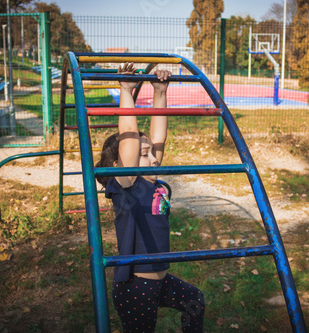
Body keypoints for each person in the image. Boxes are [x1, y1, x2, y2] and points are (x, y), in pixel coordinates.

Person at [95, 62, 205, 332]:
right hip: (136, 287)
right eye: (142, 154)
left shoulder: (150, 180)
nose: (153, 156)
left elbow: (158, 138)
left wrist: (160, 92)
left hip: (161, 281)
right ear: (121, 164)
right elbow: (129, 141)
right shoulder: (127, 185)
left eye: (150, 152)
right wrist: (125, 90)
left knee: (195, 300)